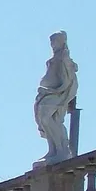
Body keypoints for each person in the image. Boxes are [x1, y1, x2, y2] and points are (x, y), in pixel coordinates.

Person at [34, 31, 79, 164]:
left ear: (62, 41)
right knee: (44, 119)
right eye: (51, 42)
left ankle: (61, 149)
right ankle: (53, 149)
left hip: (57, 93)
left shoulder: (63, 57)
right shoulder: (57, 57)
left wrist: (58, 91)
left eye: (55, 41)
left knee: (48, 118)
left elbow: (69, 78)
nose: (52, 44)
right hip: (48, 93)